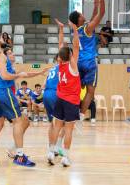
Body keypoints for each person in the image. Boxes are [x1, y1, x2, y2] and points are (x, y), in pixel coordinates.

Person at [0, 34, 35, 169]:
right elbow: (5, 76)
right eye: (0, 38)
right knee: (18, 121)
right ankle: (20, 156)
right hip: (2, 91)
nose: (3, 39)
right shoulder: (0, 56)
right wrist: (18, 75)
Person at [67, 0, 105, 129]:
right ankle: (81, 116)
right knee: (90, 91)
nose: (84, 14)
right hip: (89, 62)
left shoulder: (76, 31)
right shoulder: (88, 28)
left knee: (78, 89)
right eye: (81, 14)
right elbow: (100, 15)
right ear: (79, 19)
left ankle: (73, 111)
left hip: (78, 62)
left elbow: (95, 14)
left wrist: (96, 2)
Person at [47, 21, 81, 167]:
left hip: (60, 99)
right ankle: (65, 157)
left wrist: (61, 28)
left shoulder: (60, 64)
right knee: (68, 130)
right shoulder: (72, 65)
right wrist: (74, 29)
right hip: (71, 101)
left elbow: (61, 44)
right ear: (71, 56)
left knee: (56, 126)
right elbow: (76, 45)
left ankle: (50, 152)